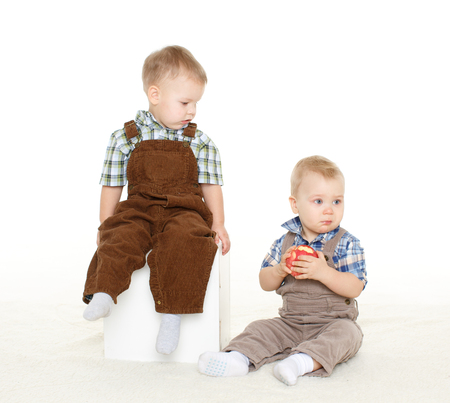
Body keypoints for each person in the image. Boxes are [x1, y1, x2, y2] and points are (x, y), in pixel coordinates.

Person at [82, 45, 230, 355]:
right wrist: (104, 223)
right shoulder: (126, 137)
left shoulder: (199, 141)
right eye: (185, 102)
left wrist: (218, 223)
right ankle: (105, 293)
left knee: (186, 240)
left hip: (184, 209)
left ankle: (172, 315)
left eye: (196, 104)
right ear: (155, 94)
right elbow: (112, 184)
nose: (192, 111)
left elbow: (210, 183)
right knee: (119, 236)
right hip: (139, 207)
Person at [198, 155, 367, 385]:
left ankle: (301, 362)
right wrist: (279, 270)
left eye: (336, 201)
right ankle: (237, 358)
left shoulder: (347, 243)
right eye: (319, 201)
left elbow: (355, 286)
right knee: (260, 328)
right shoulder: (284, 242)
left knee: (349, 335)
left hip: (332, 323)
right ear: (295, 204)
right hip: (290, 323)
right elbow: (264, 281)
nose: (329, 210)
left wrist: (323, 272)